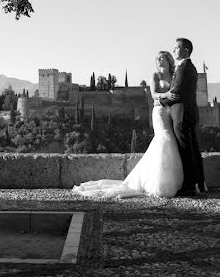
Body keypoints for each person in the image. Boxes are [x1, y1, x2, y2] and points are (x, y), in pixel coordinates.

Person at [72, 51, 183, 198]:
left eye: (163, 58)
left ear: (169, 60)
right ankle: (160, 184)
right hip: (160, 112)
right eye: (158, 59)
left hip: (172, 112)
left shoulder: (174, 76)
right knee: (164, 139)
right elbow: (154, 95)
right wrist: (166, 95)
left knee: (170, 141)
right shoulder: (155, 76)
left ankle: (174, 182)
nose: (160, 61)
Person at [159, 37, 206, 195]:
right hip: (190, 112)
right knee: (194, 149)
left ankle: (189, 186)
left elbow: (176, 92)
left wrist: (161, 100)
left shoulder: (184, 67)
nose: (173, 51)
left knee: (186, 149)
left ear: (185, 50)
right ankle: (200, 183)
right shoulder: (190, 67)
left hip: (181, 114)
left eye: (176, 48)